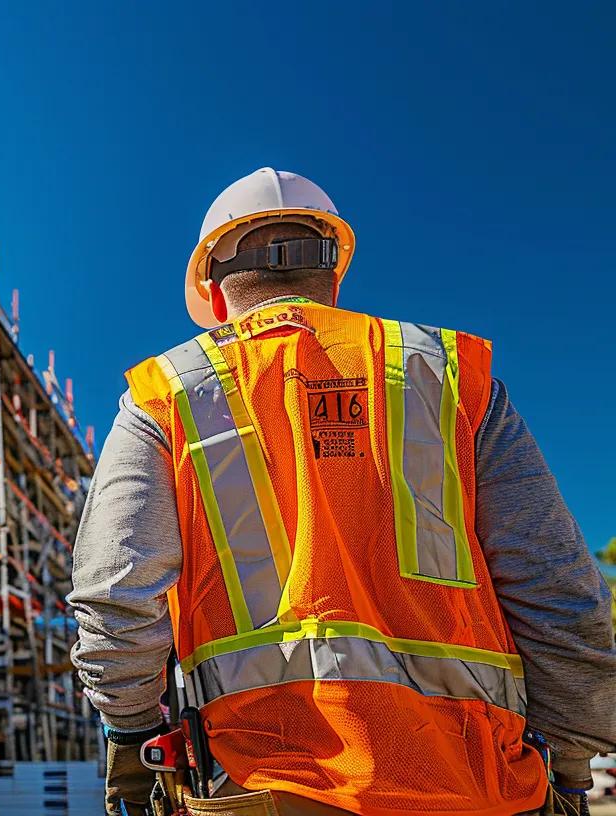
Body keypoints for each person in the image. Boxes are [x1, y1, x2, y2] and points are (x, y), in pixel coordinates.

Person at [68, 167, 616, 816]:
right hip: (486, 791)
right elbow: (562, 599)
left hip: (268, 791)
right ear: (332, 279)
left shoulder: (167, 398)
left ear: (213, 294)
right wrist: (574, 765)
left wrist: (132, 743)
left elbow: (115, 600)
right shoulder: (449, 381)